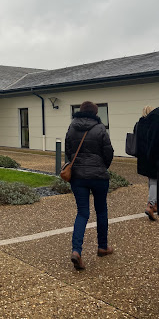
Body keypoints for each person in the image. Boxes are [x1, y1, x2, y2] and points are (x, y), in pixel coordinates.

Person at [65, 101, 114, 270]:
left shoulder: (72, 127)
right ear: (95, 112)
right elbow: (108, 152)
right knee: (101, 211)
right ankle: (102, 246)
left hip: (78, 177)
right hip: (99, 177)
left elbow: (68, 152)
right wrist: (102, 167)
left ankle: (77, 251)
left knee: (82, 213)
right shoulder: (100, 128)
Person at [135, 105, 159, 221]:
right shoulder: (153, 122)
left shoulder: (138, 124)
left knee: (151, 179)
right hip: (152, 154)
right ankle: (151, 204)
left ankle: (154, 204)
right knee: (154, 179)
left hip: (143, 156)